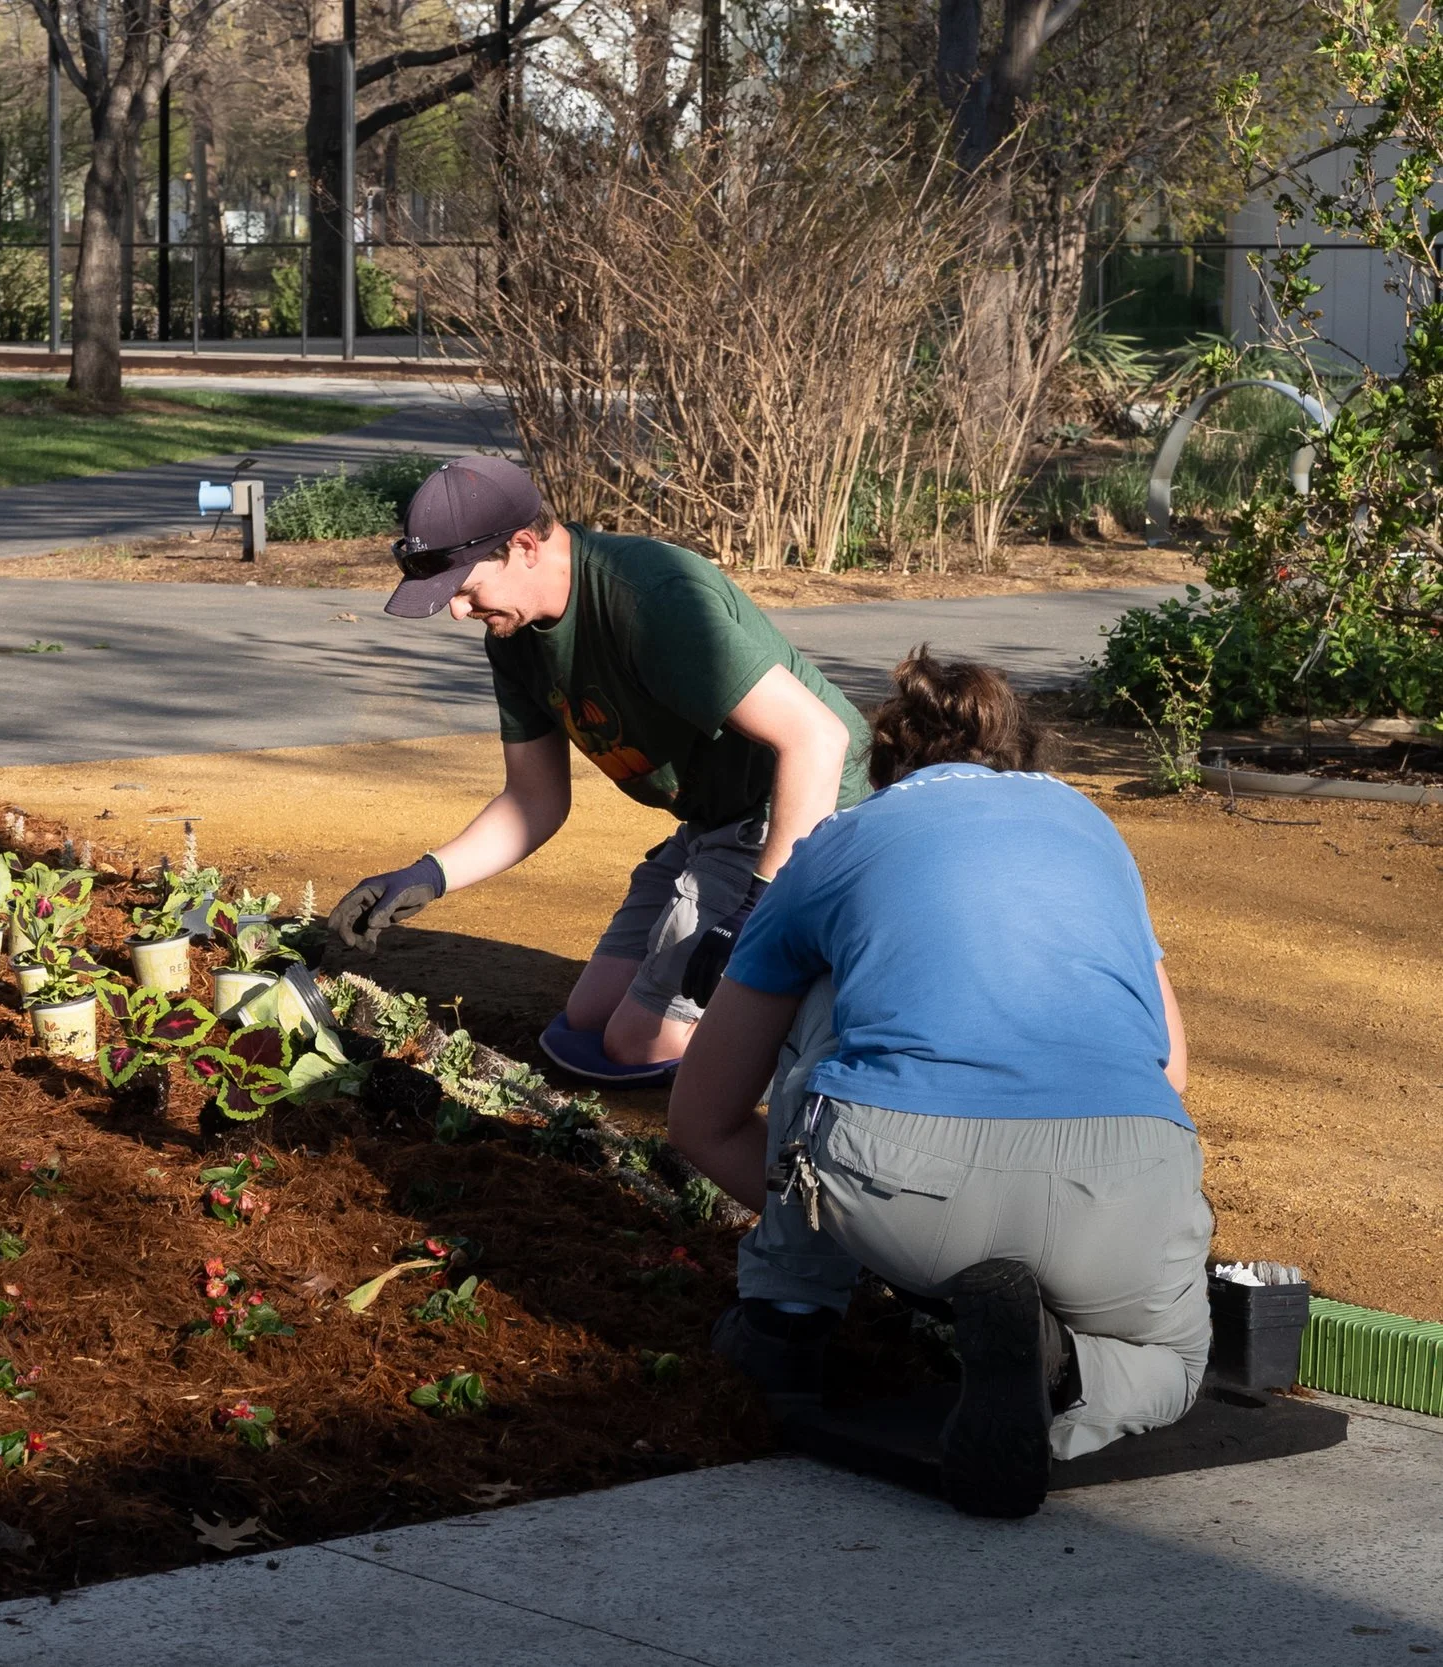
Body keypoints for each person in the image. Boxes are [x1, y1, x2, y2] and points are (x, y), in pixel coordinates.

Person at [668, 650, 1206, 1519]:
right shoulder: (1091, 827)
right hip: (1125, 1189)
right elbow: (1171, 1070)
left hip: (906, 1192)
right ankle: (1064, 1363)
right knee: (1174, 1366)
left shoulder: (840, 841)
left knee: (825, 985)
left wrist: (842, 1224)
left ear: (886, 767)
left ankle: (787, 1322)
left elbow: (700, 1118)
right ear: (1022, 757)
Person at [327, 455, 871, 1084]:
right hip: (713, 821)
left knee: (639, 1045)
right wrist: (425, 875)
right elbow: (535, 800)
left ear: (524, 546)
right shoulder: (516, 637)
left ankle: (824, 1014)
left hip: (804, 815)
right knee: (587, 1020)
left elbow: (818, 739)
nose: (456, 610)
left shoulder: (652, 598)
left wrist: (760, 913)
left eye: (465, 589)